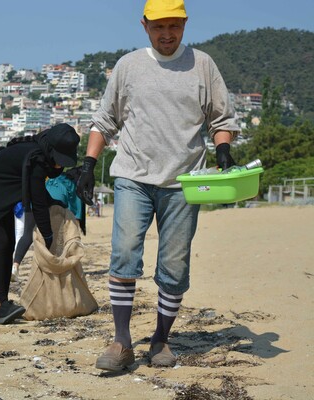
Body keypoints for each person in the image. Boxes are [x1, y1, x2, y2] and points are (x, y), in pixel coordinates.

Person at [76, 0, 239, 370]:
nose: (167, 35)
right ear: (144, 26)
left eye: (174, 27)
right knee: (123, 256)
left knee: (174, 265)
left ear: (184, 24)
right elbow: (105, 120)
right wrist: (88, 163)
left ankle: (161, 341)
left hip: (185, 182)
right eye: (159, 27)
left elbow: (221, 118)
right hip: (133, 176)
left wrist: (224, 151)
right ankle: (121, 342)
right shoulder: (128, 66)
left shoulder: (203, 64)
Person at [0, 123, 80, 324]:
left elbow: (38, 192)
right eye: (59, 160)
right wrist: (47, 235)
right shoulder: (37, 159)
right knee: (0, 243)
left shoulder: (38, 151)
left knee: (7, 243)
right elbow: (38, 203)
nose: (60, 165)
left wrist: (56, 204)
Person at [11, 166, 86, 283]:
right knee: (52, 239)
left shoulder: (50, 178)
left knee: (27, 234)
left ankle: (15, 266)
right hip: (53, 207)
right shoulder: (72, 185)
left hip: (34, 203)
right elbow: (74, 214)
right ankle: (51, 270)